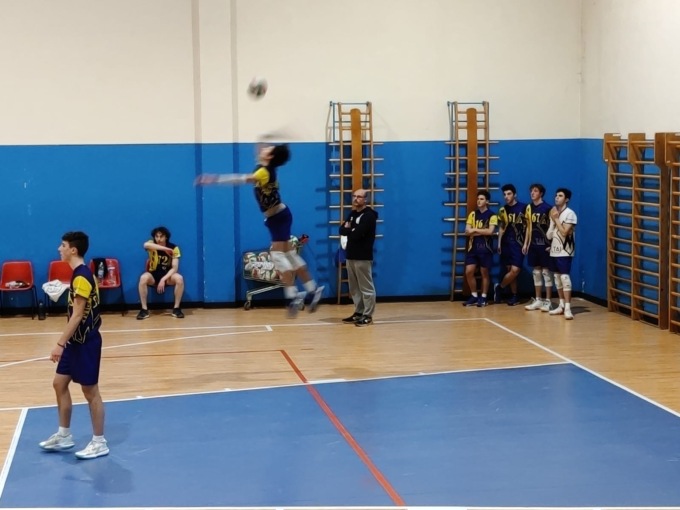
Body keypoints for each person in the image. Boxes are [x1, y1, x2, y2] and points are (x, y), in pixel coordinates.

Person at [196, 143, 324, 316]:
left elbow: (241, 179)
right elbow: (261, 151)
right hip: (276, 217)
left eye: (267, 149)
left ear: (270, 157)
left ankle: (293, 295)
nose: (263, 149)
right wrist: (265, 146)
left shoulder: (264, 172)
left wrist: (215, 179)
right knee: (289, 255)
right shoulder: (266, 168)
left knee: (278, 255)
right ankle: (312, 289)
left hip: (279, 217)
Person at [39, 231, 109, 459]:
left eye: (63, 245)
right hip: (75, 342)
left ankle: (99, 442)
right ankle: (64, 435)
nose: (59, 249)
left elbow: (78, 315)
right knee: (59, 383)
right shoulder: (79, 275)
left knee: (90, 391)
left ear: (73, 250)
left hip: (86, 343)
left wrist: (59, 344)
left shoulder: (82, 277)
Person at [339, 189, 378, 326]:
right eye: (354, 196)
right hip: (351, 255)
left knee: (366, 287)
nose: (356, 199)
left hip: (363, 256)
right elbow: (341, 230)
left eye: (359, 197)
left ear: (365, 199)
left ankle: (368, 315)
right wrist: (351, 230)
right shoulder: (352, 214)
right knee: (354, 287)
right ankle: (359, 311)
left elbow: (358, 234)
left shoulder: (369, 216)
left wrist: (350, 230)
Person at [136, 226, 185, 320]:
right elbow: (145, 245)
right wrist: (165, 249)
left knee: (179, 278)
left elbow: (174, 268)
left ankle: (176, 309)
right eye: (156, 236)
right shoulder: (152, 245)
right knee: (143, 278)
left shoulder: (174, 248)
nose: (158, 239)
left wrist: (163, 279)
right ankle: (144, 310)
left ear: (166, 237)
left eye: (161, 236)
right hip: (153, 275)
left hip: (167, 276)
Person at [494, 184, 529, 305]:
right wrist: (499, 243)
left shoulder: (524, 207)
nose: (506, 196)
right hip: (506, 243)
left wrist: (525, 244)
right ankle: (514, 295)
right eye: (504, 194)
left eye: (509, 194)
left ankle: (500, 287)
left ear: (515, 195)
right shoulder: (502, 210)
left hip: (518, 243)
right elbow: (501, 227)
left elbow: (528, 227)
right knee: (509, 270)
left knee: (515, 270)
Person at [462, 190, 497, 307]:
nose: (479, 201)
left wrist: (475, 230)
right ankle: (474, 295)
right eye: (478, 199)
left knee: (484, 273)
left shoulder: (492, 215)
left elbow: (490, 231)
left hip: (485, 248)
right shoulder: (472, 214)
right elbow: (467, 232)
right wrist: (480, 232)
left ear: (487, 201)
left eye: (481, 199)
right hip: (473, 248)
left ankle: (484, 297)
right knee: (469, 271)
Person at [547, 188, 578, 320]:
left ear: (567, 199)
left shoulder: (570, 214)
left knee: (565, 278)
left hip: (565, 251)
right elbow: (549, 235)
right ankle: (561, 305)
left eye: (560, 196)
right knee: (557, 278)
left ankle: (568, 308)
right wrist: (552, 221)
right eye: (556, 195)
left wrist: (556, 219)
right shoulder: (554, 213)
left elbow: (565, 232)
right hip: (554, 251)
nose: (556, 197)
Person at [524, 184, 555, 312]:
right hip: (533, 244)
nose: (532, 193)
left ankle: (548, 301)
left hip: (545, 244)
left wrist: (552, 244)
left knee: (546, 273)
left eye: (535, 191)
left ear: (541, 193)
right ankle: (538, 299)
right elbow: (528, 227)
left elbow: (553, 227)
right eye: (531, 191)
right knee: (536, 272)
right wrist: (526, 243)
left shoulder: (548, 208)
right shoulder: (529, 208)